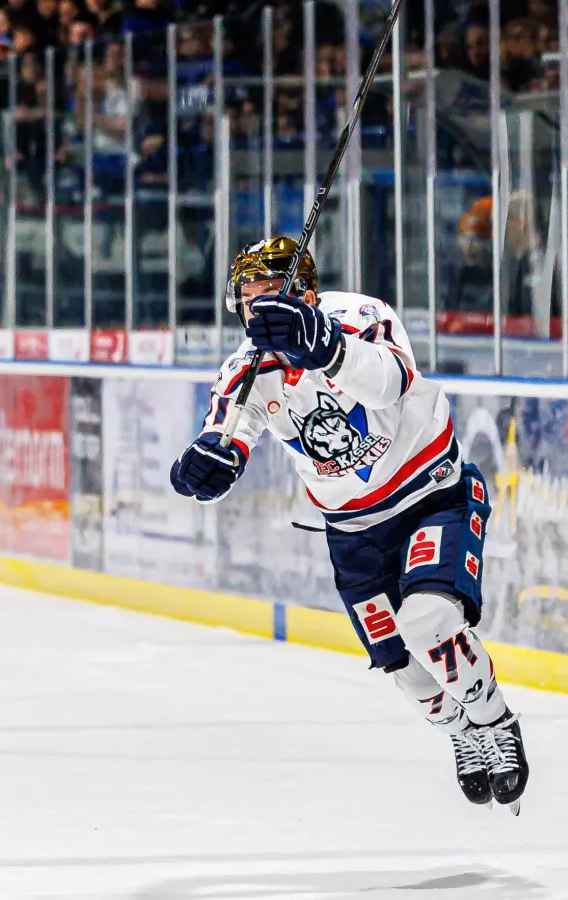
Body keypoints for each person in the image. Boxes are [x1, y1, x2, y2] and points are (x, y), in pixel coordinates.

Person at [168, 236, 530, 813]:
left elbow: (390, 382)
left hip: (430, 495)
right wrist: (211, 461)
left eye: (267, 291)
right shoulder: (245, 371)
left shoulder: (359, 317)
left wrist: (326, 349)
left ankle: (494, 720)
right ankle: (462, 734)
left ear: (303, 293)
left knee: (430, 621)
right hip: (354, 531)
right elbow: (229, 431)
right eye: (247, 294)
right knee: (405, 669)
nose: (254, 304)